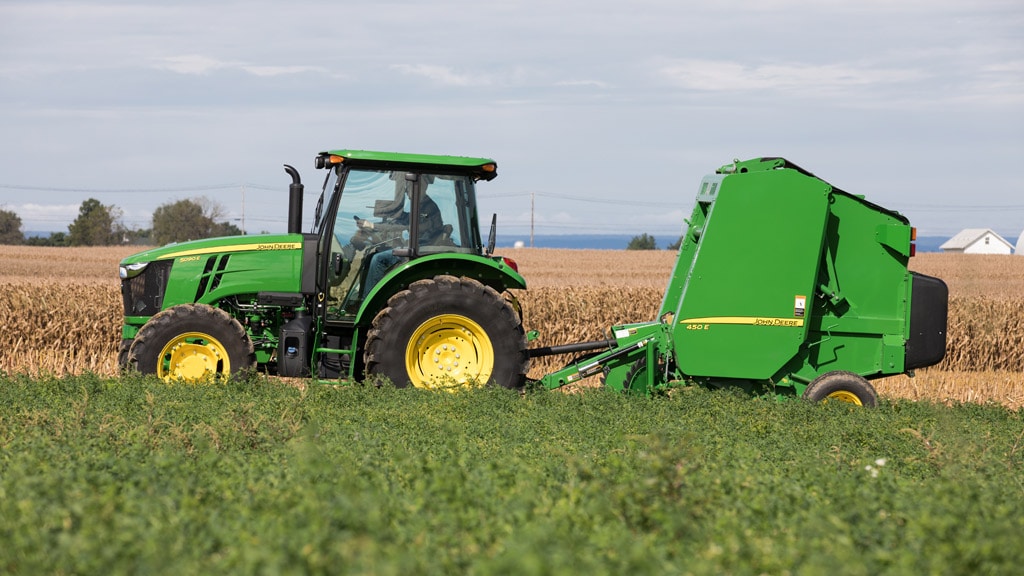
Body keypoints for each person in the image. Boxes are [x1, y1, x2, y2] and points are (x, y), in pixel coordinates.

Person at [359, 178, 444, 297]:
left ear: (420, 187)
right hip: (418, 247)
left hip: (423, 249)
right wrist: (390, 214)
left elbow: (406, 226)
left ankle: (368, 300)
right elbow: (405, 221)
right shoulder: (419, 205)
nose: (407, 192)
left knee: (378, 259)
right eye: (406, 189)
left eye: (408, 188)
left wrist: (372, 225)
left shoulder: (428, 207)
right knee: (370, 256)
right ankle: (362, 298)